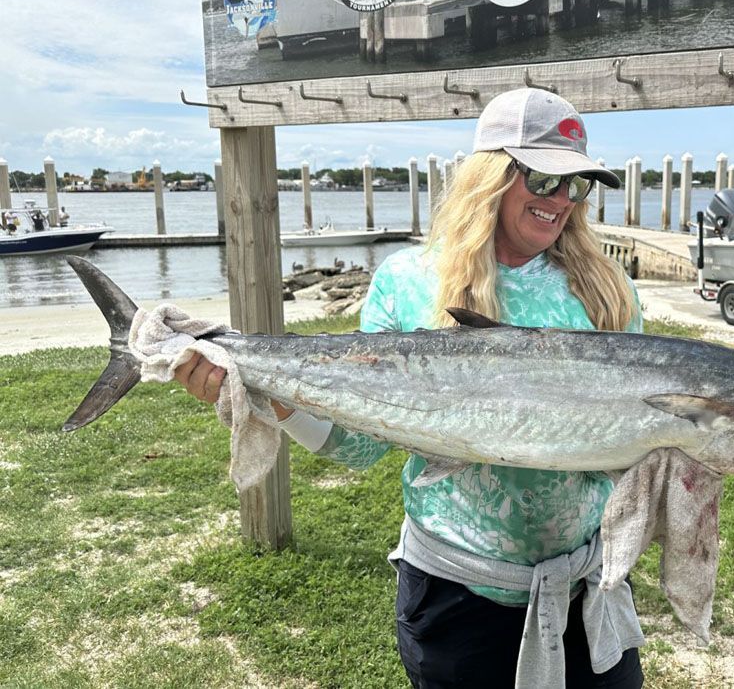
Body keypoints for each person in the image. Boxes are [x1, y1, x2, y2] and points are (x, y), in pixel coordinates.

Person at [175, 88, 645, 688]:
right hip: (456, 599)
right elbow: (361, 446)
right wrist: (269, 393)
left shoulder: (608, 290)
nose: (560, 200)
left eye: (575, 185)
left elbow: (634, 447)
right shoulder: (408, 281)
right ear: (492, 176)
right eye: (541, 178)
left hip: (588, 588)